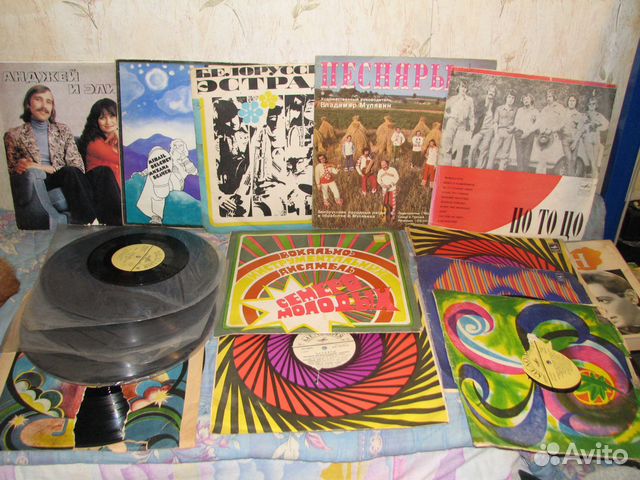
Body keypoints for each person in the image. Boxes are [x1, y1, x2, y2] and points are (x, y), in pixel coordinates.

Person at [4, 84, 96, 225]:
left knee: (103, 172)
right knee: (69, 172)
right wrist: (32, 168)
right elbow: (12, 173)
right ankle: (89, 220)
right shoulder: (14, 135)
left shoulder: (63, 130)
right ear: (28, 104)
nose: (44, 106)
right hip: (41, 182)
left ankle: (115, 222)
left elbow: (77, 165)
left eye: (49, 102)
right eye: (38, 100)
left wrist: (38, 166)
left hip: (65, 176)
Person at [78, 98, 123, 225]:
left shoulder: (116, 139)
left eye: (112, 116)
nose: (108, 122)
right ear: (95, 120)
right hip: (101, 194)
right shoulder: (93, 142)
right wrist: (120, 138)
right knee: (106, 171)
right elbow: (125, 160)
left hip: (119, 194)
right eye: (102, 117)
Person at [441, 80, 475, 166]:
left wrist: (472, 126)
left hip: (462, 123)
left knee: (458, 145)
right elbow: (444, 108)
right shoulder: (453, 98)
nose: (463, 89)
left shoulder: (469, 100)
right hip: (452, 121)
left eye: (465, 87)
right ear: (458, 88)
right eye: (462, 86)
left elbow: (471, 114)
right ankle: (447, 161)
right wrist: (448, 115)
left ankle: (455, 163)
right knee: (447, 140)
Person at [487, 90, 517, 171]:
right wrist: (496, 133)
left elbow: (517, 122)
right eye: (509, 97)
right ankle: (488, 170)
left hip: (509, 133)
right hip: (499, 131)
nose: (511, 99)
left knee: (505, 155)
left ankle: (501, 171)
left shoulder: (515, 110)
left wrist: (513, 127)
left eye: (513, 98)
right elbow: (495, 122)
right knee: (493, 152)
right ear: (506, 98)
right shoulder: (499, 108)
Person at [469, 84, 497, 169]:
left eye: (493, 92)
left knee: (484, 150)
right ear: (487, 92)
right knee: (472, 148)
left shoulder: (496, 105)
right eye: (490, 91)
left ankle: (479, 168)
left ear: (495, 94)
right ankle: (469, 167)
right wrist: (486, 105)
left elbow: (496, 119)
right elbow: (477, 114)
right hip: (479, 129)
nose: (491, 93)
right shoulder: (481, 102)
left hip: (489, 130)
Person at [581, 95, 609, 178]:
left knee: (595, 159)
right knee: (592, 159)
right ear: (587, 105)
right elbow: (580, 126)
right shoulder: (584, 115)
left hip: (596, 138)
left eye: (593, 104)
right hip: (587, 138)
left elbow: (607, 124)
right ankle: (595, 175)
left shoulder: (599, 115)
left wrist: (598, 127)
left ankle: (594, 176)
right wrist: (585, 129)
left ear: (596, 105)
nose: (591, 106)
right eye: (590, 104)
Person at [512, 93, 537, 173]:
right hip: (519, 134)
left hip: (529, 135)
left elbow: (537, 124)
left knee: (526, 155)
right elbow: (516, 122)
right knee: (519, 155)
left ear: (531, 100)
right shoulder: (520, 110)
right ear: (522, 101)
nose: (526, 100)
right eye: (524, 99)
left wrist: (528, 132)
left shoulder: (535, 111)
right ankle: (520, 172)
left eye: (528, 99)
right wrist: (520, 131)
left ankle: (525, 173)